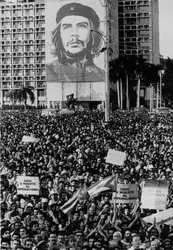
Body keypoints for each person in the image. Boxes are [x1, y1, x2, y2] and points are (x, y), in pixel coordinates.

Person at [46, 2, 105, 82]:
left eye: (82, 26)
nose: (74, 33)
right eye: (67, 27)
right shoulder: (50, 71)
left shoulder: (102, 75)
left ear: (92, 34)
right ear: (58, 34)